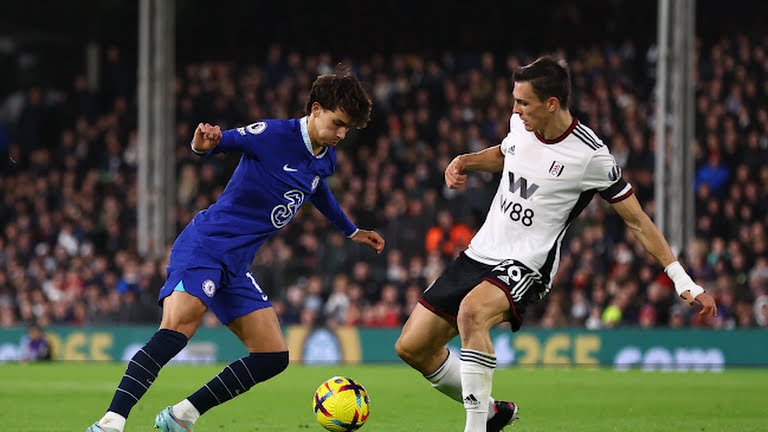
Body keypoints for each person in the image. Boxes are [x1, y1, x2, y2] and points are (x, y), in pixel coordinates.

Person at [394, 56, 717, 432]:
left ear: (551, 103)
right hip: (481, 252)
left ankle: (475, 427)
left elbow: (637, 220)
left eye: (523, 102)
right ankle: (493, 412)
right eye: (515, 101)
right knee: (412, 347)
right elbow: (506, 154)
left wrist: (681, 279)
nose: (515, 109)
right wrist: (465, 162)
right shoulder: (520, 125)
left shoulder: (590, 156)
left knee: (472, 313)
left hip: (528, 264)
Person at [86, 65, 385, 432]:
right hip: (206, 246)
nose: (341, 134)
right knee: (177, 329)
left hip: (236, 265)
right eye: (337, 123)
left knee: (273, 355)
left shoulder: (326, 158)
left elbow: (316, 189)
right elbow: (216, 143)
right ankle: (110, 422)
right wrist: (202, 144)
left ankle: (182, 416)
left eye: (347, 129)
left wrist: (351, 231)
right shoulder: (273, 134)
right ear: (316, 109)